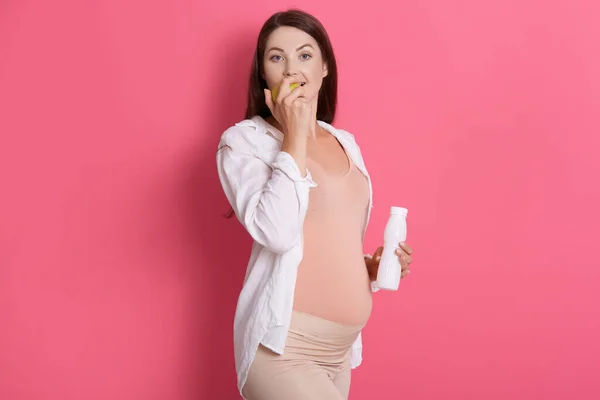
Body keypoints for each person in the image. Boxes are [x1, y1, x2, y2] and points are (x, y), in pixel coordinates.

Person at [216, 9, 414, 400]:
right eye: (277, 58)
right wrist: (293, 134)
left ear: (325, 67)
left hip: (339, 354)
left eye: (305, 55)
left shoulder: (345, 142)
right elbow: (277, 233)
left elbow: (324, 239)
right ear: (263, 74)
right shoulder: (243, 143)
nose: (292, 69)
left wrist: (369, 267)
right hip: (282, 348)